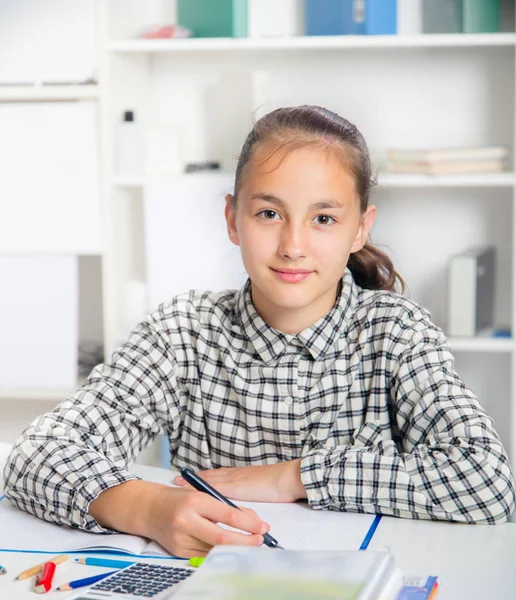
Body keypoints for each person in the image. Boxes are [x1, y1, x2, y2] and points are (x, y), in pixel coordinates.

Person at [3, 106, 515, 558]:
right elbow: (32, 455)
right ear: (232, 218)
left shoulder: (397, 333)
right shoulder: (183, 332)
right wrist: (145, 505)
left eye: (324, 219)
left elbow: (488, 482)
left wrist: (295, 476)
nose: (293, 245)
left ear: (360, 228)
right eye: (269, 214)